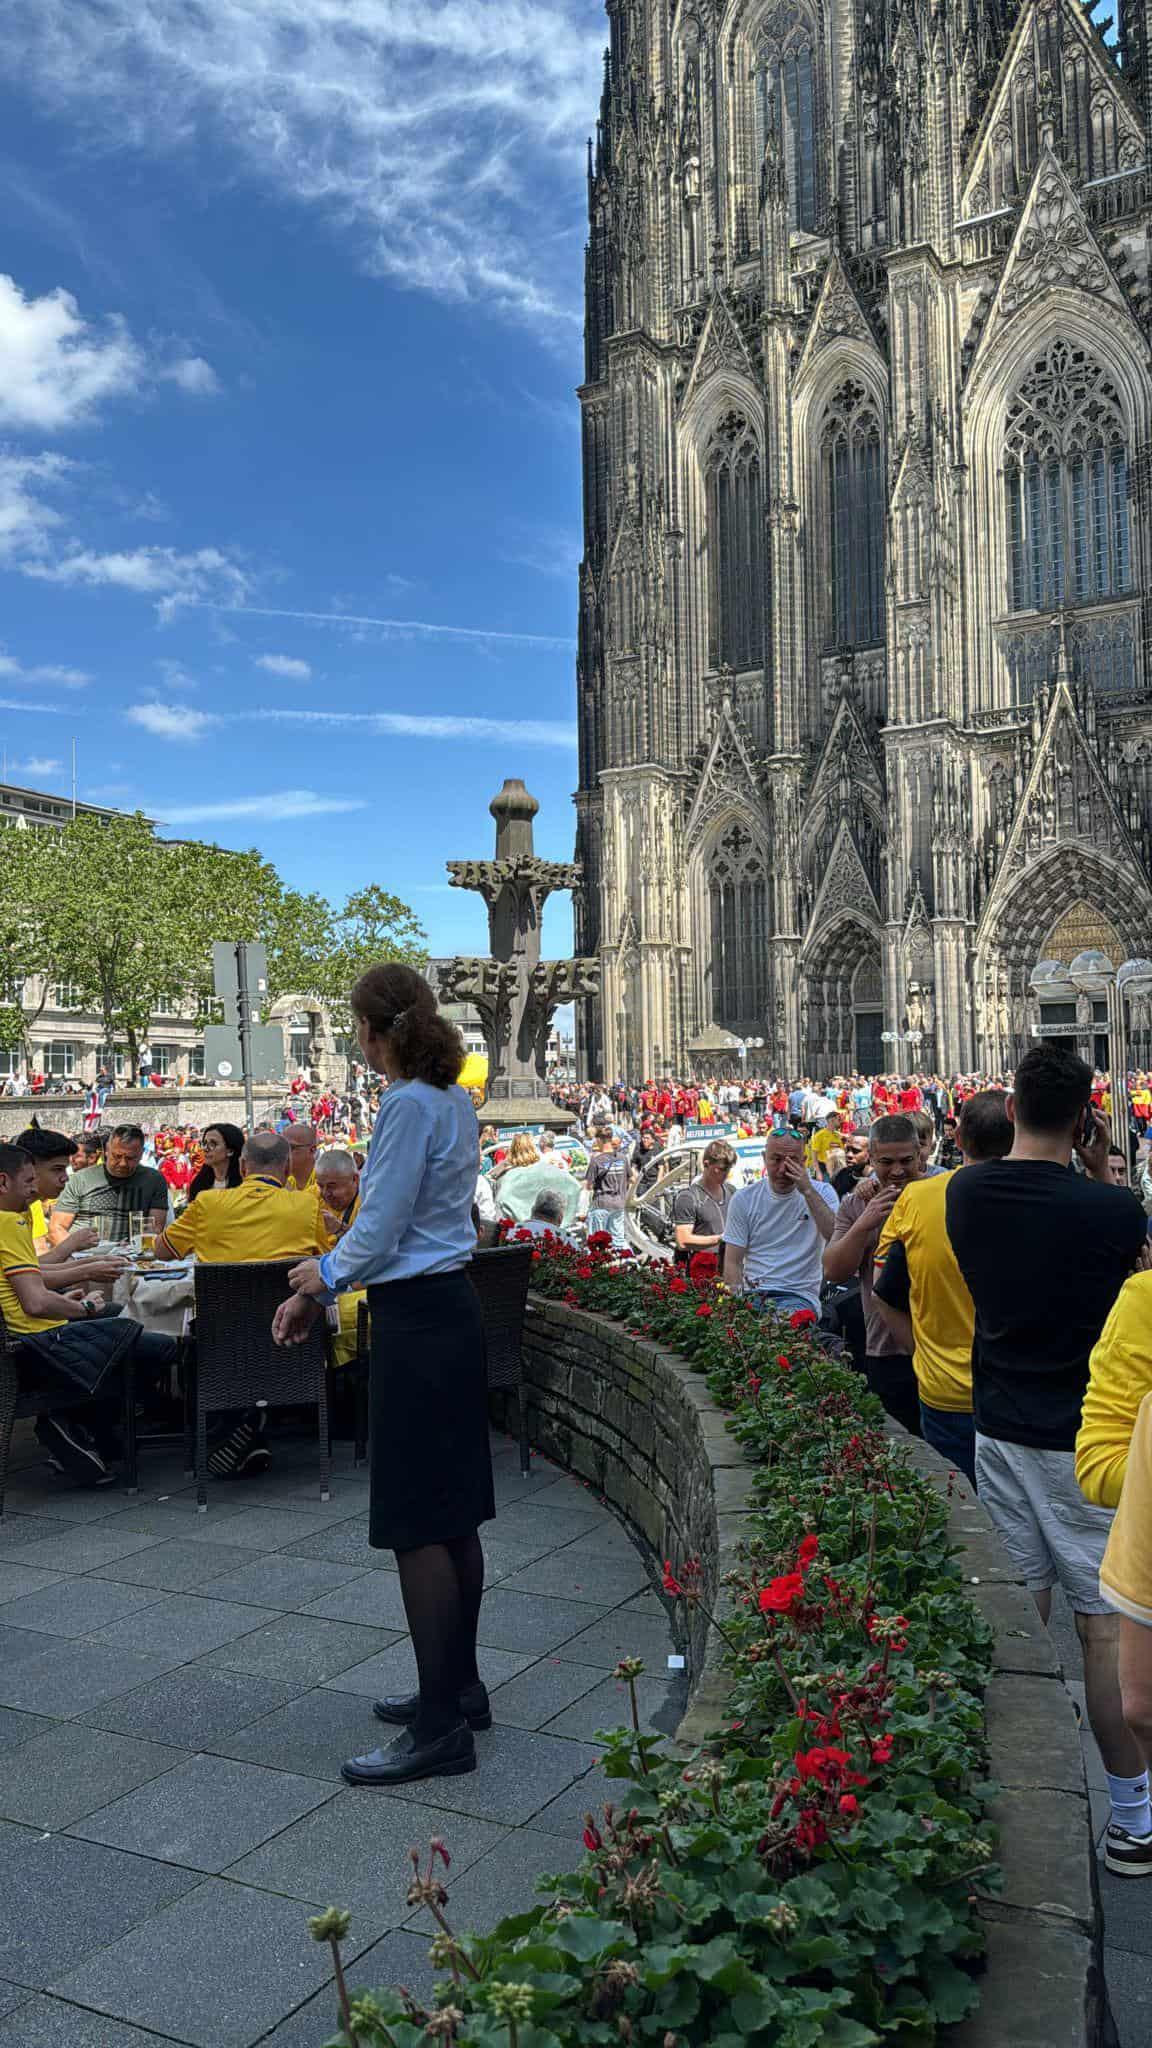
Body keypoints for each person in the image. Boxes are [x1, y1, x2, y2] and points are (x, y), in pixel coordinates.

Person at [273, 962, 494, 1789]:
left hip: (417, 1320)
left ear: (371, 1033)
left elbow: (380, 1221)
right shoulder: (453, 1101)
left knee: (414, 1522)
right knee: (455, 1513)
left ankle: (440, 1727)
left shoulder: (405, 1104)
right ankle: (459, 1689)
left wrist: (320, 1278)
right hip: (451, 1311)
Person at [947, 1043, 1152, 1878]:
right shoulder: (1115, 1212)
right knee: (1101, 1631)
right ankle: (1132, 1820)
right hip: (1086, 1442)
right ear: (1082, 1116)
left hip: (998, 1428)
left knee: (1015, 1615)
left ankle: (1002, 1791)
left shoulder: (963, 1191)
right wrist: (1099, 1166)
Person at [0, 1142, 175, 1487]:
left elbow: (27, 1277)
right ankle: (86, 1427)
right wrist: (84, 1307)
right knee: (163, 1345)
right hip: (39, 1348)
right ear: (3, 1182)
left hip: (23, 1343)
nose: (35, 1189)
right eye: (29, 1181)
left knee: (119, 1321)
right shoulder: (9, 1223)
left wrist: (86, 1273)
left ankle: (87, 1435)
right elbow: (36, 1302)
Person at [872, 1090, 1013, 1484]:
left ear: (958, 1139)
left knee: (962, 1517)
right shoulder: (1056, 1196)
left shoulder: (918, 1197)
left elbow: (883, 1293)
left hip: (947, 1393)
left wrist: (923, 1355)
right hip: (1030, 1395)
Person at [823, 1115, 925, 1434]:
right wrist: (865, 1222)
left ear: (921, 1154)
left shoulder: (943, 1189)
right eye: (886, 1162)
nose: (897, 1170)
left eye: (906, 1160)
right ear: (872, 1157)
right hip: (885, 1348)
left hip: (943, 1346)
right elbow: (834, 1271)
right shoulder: (858, 1203)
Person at [722, 1130, 838, 1315]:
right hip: (753, 1294)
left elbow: (835, 1235)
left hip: (798, 1296)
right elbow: (732, 1262)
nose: (783, 1169)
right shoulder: (744, 1198)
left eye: (792, 1161)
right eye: (776, 1160)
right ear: (764, 1158)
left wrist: (807, 1190)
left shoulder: (822, 1193)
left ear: (804, 1161)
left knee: (780, 1327)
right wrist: (734, 1306)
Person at [49, 1124, 169, 1247]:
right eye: (117, 1156)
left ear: (142, 1154)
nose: (123, 1163)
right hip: (82, 1254)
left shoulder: (154, 1180)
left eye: (130, 1158)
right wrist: (75, 1257)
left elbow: (155, 1229)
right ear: (106, 1150)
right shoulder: (80, 1180)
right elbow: (56, 1229)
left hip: (132, 1255)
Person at [315, 1146, 364, 1367]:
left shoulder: (370, 1204)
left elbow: (370, 1251)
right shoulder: (312, 1200)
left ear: (355, 1180)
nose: (325, 1193)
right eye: (320, 1186)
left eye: (332, 1187)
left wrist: (339, 1229)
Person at [671, 1139, 736, 1264]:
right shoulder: (688, 1197)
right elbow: (682, 1241)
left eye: (729, 1169)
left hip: (730, 1265)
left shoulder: (731, 1191)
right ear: (706, 1164)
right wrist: (719, 1239)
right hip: (702, 1270)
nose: (726, 1173)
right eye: (721, 1169)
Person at [584, 1127, 629, 1248]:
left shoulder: (597, 1160)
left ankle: (598, 1265)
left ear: (599, 1140)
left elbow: (588, 1185)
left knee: (596, 1242)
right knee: (618, 1240)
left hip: (601, 1203)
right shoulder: (623, 1158)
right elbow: (631, 1178)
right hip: (619, 1203)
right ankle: (626, 1263)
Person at [186, 1123, 245, 1203]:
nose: (205, 1149)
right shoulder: (198, 1183)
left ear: (230, 1151)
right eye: (204, 1143)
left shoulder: (245, 1184)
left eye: (212, 1144)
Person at [831, 1130, 870, 1201]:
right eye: (847, 1149)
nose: (849, 1155)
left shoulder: (878, 1181)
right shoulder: (840, 1176)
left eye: (856, 1151)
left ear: (870, 1153)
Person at [285, 1123, 318, 1192]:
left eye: (291, 1147)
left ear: (312, 1150)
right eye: (282, 1147)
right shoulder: (278, 1181)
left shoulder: (324, 1179)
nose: (284, 1153)